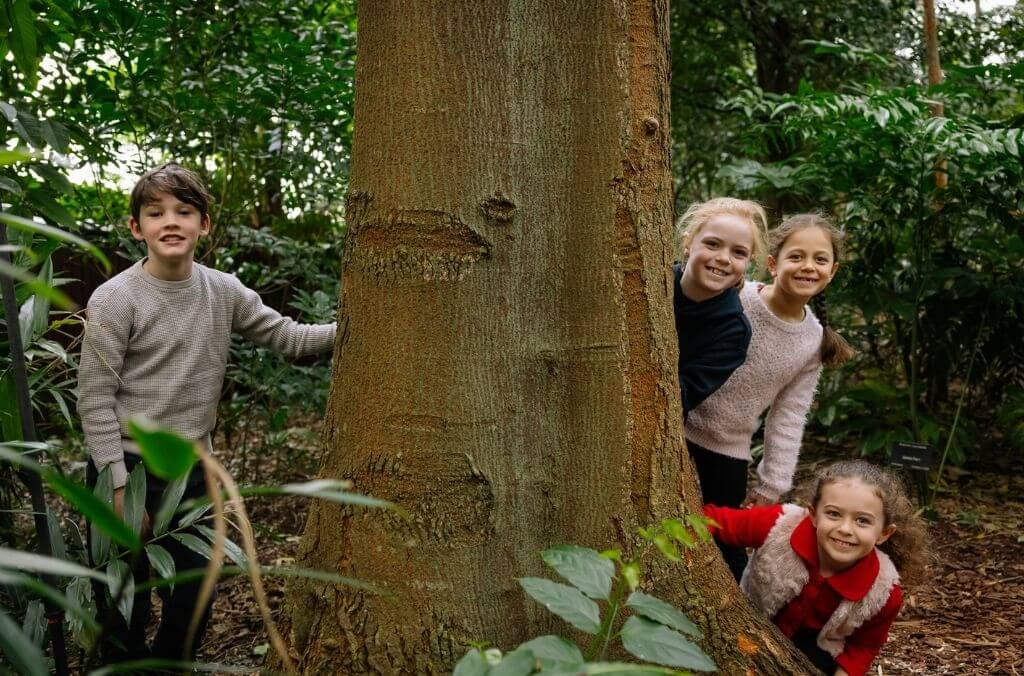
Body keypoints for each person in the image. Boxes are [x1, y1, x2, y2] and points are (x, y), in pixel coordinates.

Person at [77, 162, 337, 662]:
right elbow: (94, 399)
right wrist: (115, 485)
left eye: (184, 211)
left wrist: (352, 322)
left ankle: (170, 668)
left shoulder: (223, 291)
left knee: (195, 595)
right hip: (125, 467)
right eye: (155, 213)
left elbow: (285, 335)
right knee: (121, 601)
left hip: (193, 469)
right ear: (137, 228)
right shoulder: (114, 299)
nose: (170, 221)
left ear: (204, 225)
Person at [686, 213, 855, 579]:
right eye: (796, 257)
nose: (807, 267)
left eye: (819, 260)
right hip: (679, 427)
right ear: (773, 263)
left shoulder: (814, 341)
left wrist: (773, 482)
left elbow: (789, 415)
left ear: (833, 271)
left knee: (724, 547)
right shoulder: (738, 296)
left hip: (728, 451)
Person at [703, 460, 927, 676]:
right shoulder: (780, 524)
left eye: (862, 521)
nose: (845, 529)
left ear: (884, 533)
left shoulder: (884, 592)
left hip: (816, 652)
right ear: (813, 514)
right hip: (751, 620)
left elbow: (864, 647)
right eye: (833, 514)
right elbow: (715, 519)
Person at [673, 197, 768, 419]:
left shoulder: (734, 331)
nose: (724, 258)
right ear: (688, 244)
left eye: (739, 252)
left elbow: (681, 397)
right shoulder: (649, 284)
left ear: (748, 261)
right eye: (712, 244)